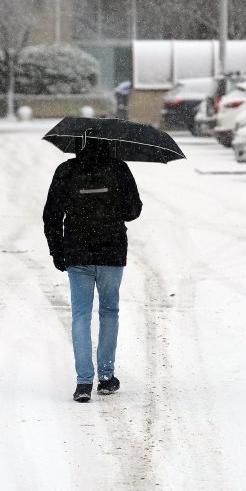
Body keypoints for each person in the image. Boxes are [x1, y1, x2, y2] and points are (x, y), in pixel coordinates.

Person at [43, 136, 142, 403]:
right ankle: (107, 377)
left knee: (80, 315)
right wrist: (111, 206)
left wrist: (57, 250)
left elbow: (51, 214)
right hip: (111, 252)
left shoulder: (67, 171)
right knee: (109, 311)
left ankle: (83, 382)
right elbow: (133, 210)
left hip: (78, 252)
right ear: (108, 143)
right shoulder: (118, 168)